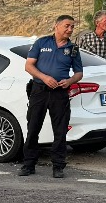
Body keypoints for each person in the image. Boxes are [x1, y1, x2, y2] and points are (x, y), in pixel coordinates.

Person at [20, 14, 84, 178]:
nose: (70, 29)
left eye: (72, 27)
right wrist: (44, 77)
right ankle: (28, 165)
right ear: (57, 26)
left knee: (60, 130)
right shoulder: (42, 42)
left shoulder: (73, 49)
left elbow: (79, 73)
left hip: (60, 94)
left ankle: (58, 166)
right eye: (67, 26)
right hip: (39, 91)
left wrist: (69, 81)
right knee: (33, 127)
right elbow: (29, 65)